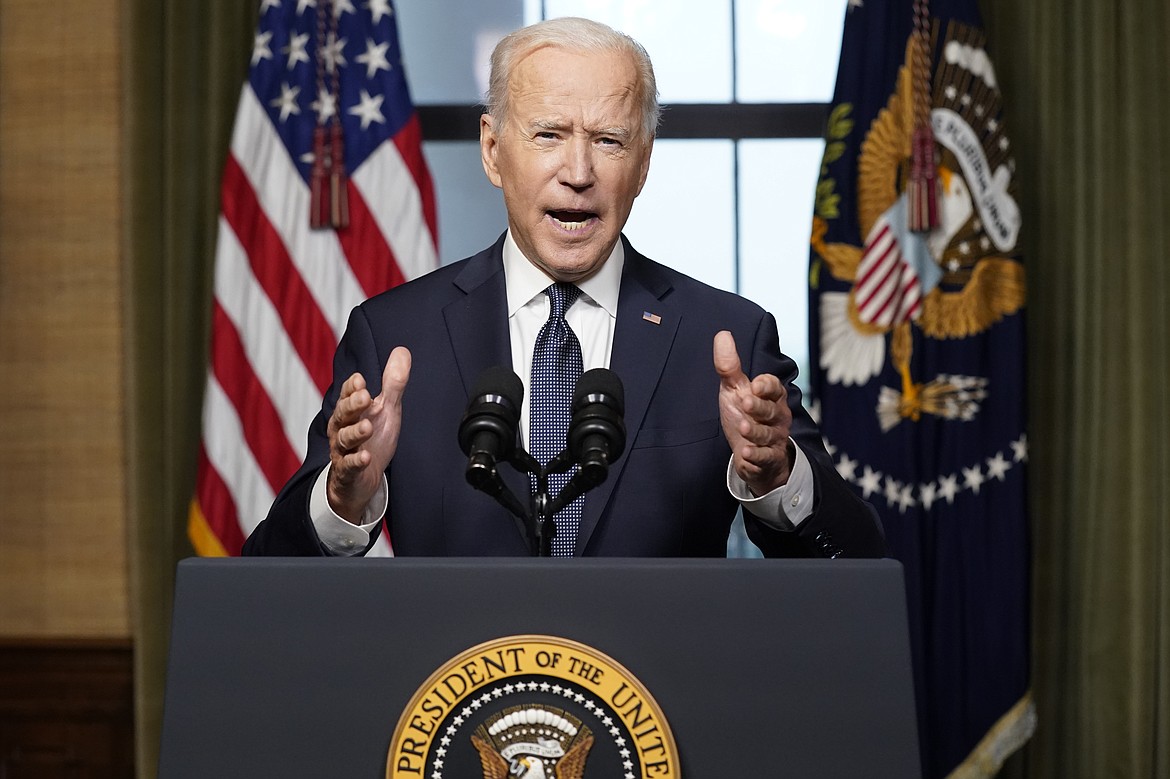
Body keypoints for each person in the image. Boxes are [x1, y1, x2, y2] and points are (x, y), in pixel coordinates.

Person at [243, 17, 885, 559]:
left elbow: (857, 557)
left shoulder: (724, 340)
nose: (578, 172)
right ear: (493, 150)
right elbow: (269, 571)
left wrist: (778, 476)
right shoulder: (397, 336)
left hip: (653, 703)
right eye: (548, 135)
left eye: (609, 140)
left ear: (644, 162)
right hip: (460, 698)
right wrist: (343, 497)